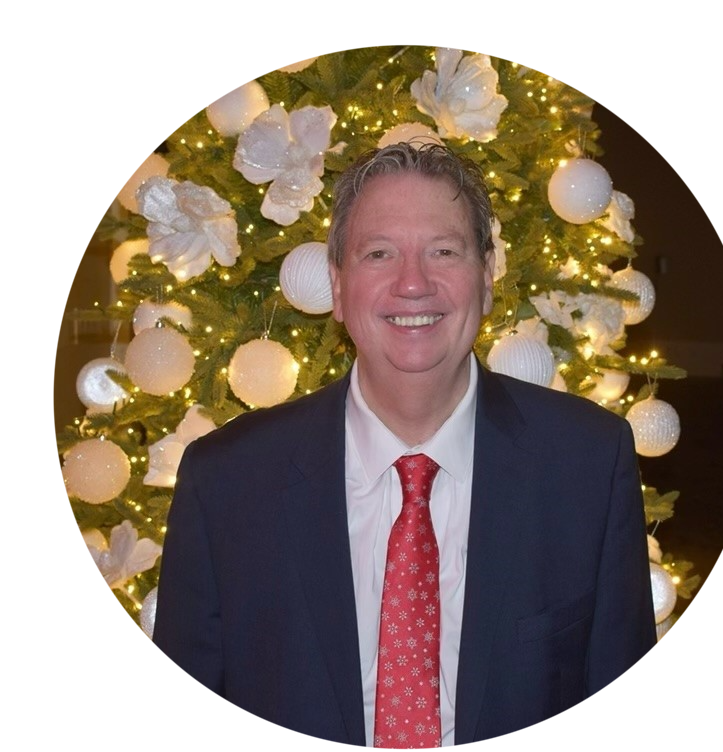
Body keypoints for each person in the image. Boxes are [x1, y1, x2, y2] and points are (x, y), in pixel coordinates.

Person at [153, 142, 657, 746]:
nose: (413, 283)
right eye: (379, 253)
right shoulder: (227, 482)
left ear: (486, 278)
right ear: (337, 286)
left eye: (443, 251)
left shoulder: (587, 464)